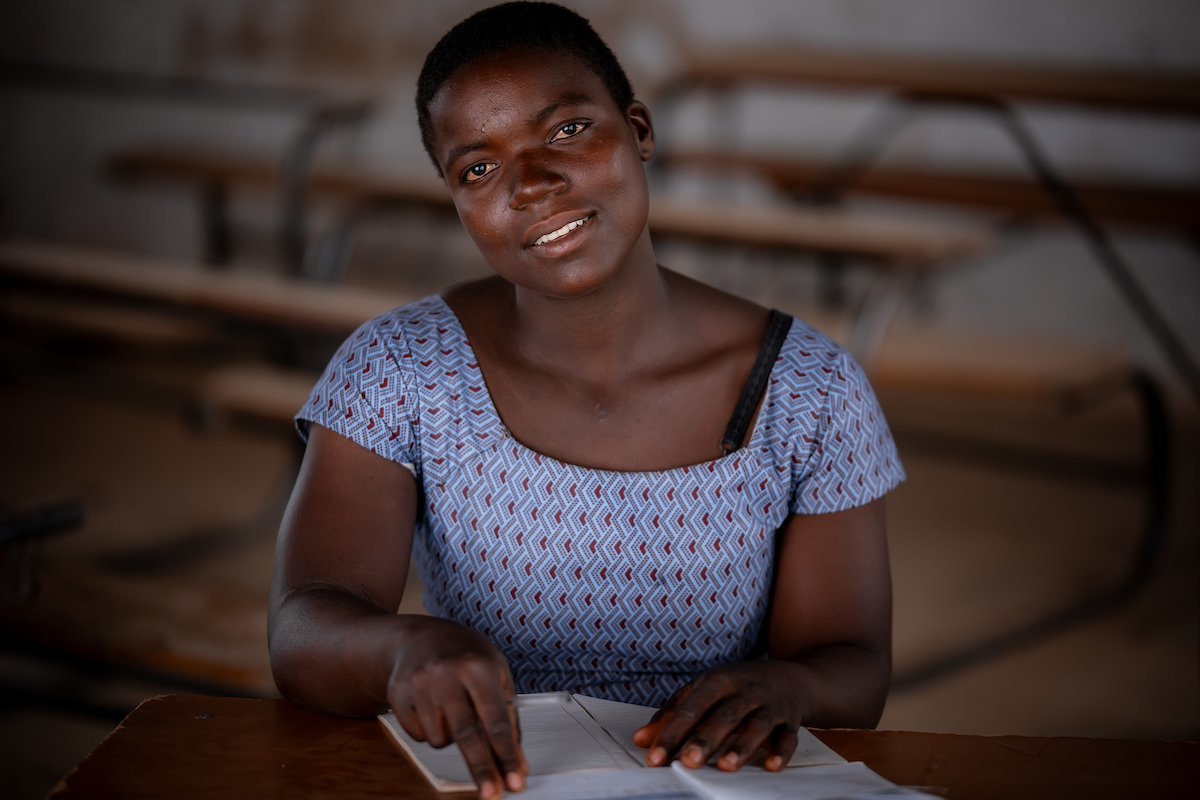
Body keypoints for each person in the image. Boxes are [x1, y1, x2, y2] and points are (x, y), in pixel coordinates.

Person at [268, 3, 904, 798]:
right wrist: (396, 649)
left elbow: (851, 660)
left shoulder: (810, 390)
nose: (531, 184)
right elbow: (304, 624)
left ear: (638, 129)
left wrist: (794, 690)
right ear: (457, 202)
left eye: (567, 131)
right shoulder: (401, 369)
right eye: (478, 168)